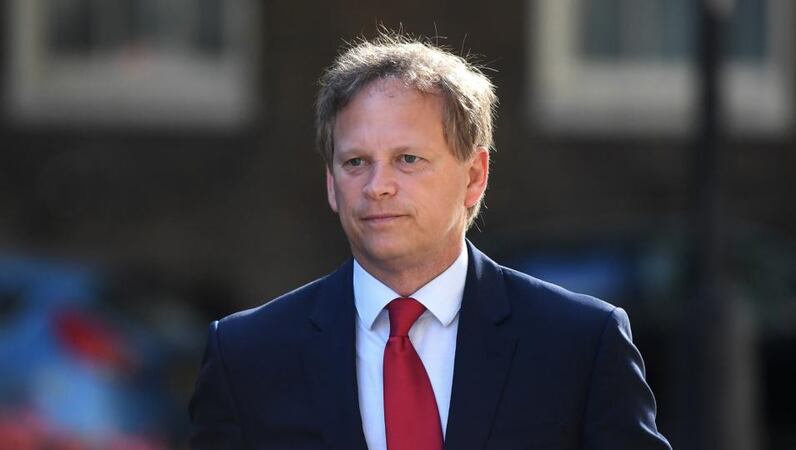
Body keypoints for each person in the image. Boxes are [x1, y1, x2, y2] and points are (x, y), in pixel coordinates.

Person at [188, 32, 672, 450]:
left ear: (474, 176)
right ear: (331, 184)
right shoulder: (247, 355)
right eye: (356, 162)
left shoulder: (579, 343)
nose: (377, 185)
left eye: (408, 160)